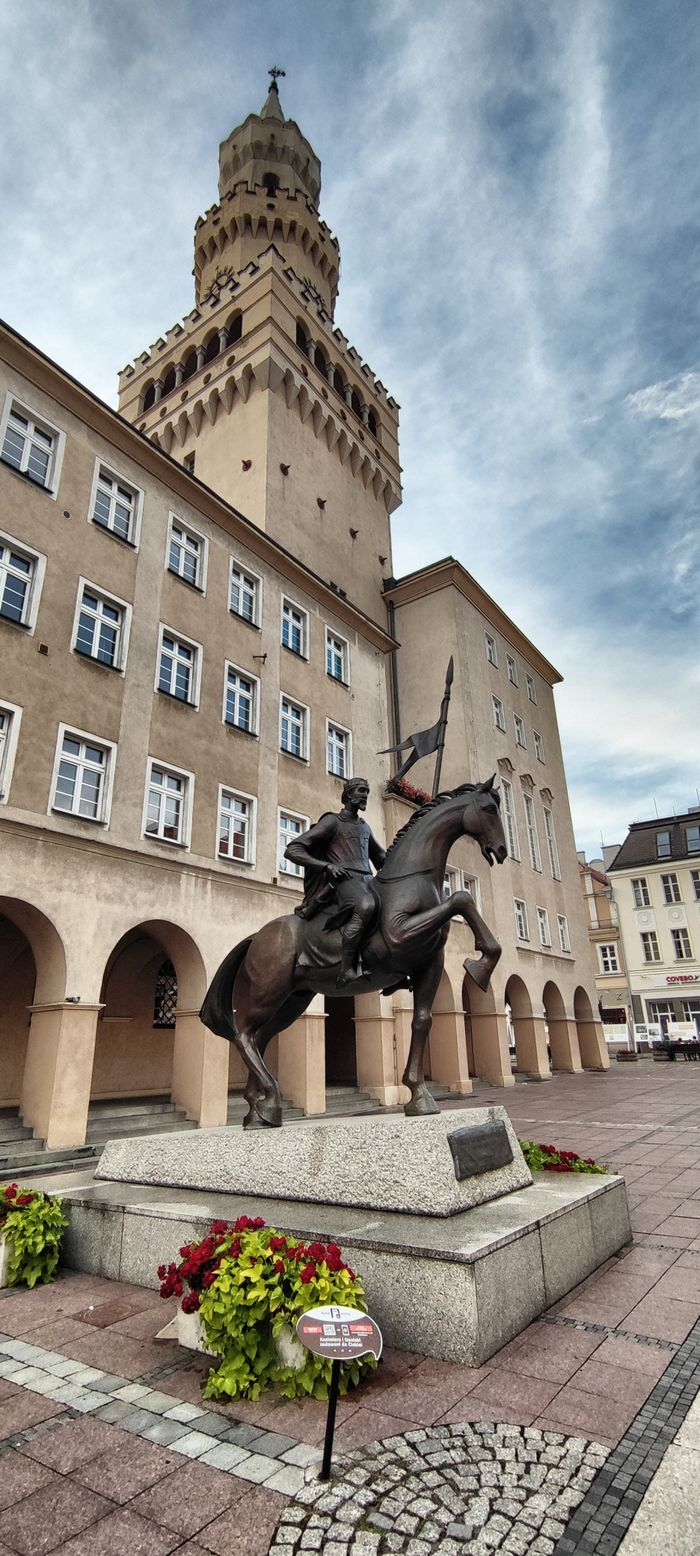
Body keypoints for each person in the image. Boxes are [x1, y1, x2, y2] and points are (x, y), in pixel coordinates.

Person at [284, 777, 386, 986]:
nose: (366, 794)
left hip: (367, 880)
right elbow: (293, 849)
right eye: (361, 790)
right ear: (348, 794)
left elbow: (380, 858)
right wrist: (326, 866)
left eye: (367, 791)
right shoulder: (332, 821)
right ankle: (347, 969)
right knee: (366, 905)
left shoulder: (364, 826)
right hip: (344, 881)